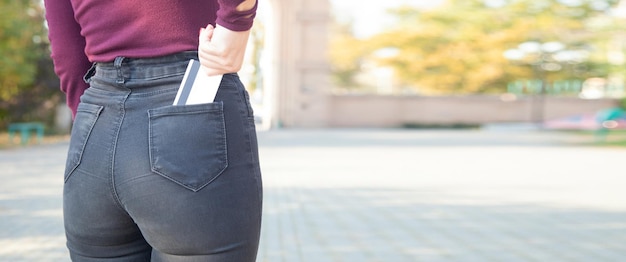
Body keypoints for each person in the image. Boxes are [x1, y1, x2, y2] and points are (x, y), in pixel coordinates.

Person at [44, 0, 263, 261]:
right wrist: (235, 21)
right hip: (189, 103)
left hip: (94, 124)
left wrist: (91, 122)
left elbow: (66, 53)